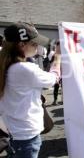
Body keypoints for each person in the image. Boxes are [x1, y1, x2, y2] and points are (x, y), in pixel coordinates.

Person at [0, 22, 61, 158]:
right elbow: (53, 78)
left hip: (12, 131)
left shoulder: (6, 64)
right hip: (26, 135)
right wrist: (58, 57)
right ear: (22, 45)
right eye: (34, 44)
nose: (37, 46)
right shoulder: (25, 69)